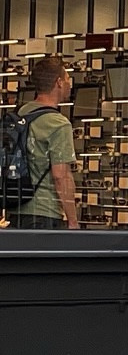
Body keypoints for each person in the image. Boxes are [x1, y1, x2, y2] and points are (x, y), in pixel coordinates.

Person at [15, 56, 79, 231]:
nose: (69, 83)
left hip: (17, 208)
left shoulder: (21, 113)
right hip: (45, 212)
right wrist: (73, 221)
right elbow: (61, 176)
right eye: (67, 78)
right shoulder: (58, 123)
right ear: (58, 82)